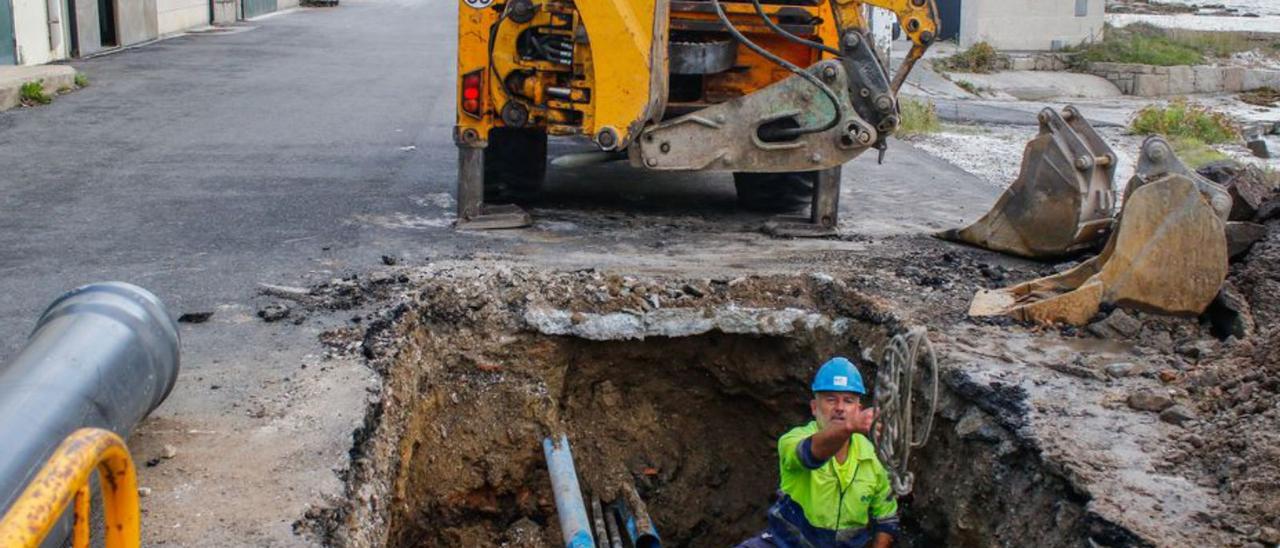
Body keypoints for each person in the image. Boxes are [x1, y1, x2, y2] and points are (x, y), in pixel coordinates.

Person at [738, 357, 899, 548]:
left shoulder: (874, 459)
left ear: (858, 409)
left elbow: (886, 519)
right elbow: (809, 455)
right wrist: (849, 426)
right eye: (831, 399)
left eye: (848, 401)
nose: (839, 408)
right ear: (814, 407)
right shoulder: (793, 440)